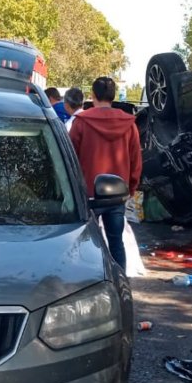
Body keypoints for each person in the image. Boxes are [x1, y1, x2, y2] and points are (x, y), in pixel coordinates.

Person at [69, 77, 143, 270]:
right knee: (116, 243)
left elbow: (70, 158)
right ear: (113, 96)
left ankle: (88, 284)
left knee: (86, 244)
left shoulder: (81, 122)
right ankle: (121, 284)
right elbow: (136, 160)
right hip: (117, 194)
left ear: (93, 95)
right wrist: (132, 187)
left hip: (88, 194)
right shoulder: (129, 125)